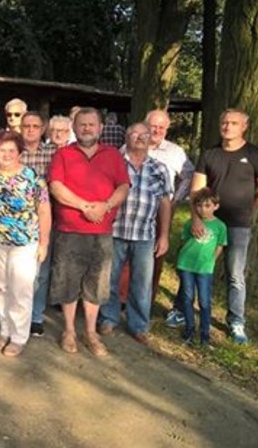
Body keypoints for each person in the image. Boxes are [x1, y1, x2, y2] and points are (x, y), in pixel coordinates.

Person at [189, 108, 258, 344]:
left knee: (235, 275)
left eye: (234, 123)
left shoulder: (256, 155)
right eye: (224, 122)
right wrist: (196, 218)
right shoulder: (210, 154)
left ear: (244, 127)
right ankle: (182, 309)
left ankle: (236, 321)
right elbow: (196, 191)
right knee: (195, 265)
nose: (228, 127)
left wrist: (249, 207)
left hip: (238, 225)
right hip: (209, 222)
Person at [47, 107, 129, 356]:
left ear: (101, 128)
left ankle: (91, 332)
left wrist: (106, 206)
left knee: (96, 283)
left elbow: (123, 187)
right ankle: (69, 330)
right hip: (69, 230)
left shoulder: (113, 155)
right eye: (82, 124)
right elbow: (56, 187)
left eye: (92, 124)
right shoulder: (63, 154)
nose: (87, 128)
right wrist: (84, 206)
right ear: (74, 127)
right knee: (68, 281)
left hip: (101, 232)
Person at [97, 122, 171, 344]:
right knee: (109, 278)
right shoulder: (114, 163)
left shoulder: (159, 168)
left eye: (144, 134)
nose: (139, 137)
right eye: (134, 133)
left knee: (142, 283)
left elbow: (164, 202)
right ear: (126, 137)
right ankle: (108, 317)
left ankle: (138, 325)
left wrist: (164, 235)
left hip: (145, 235)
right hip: (115, 231)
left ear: (150, 138)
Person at [0, 131, 51, 357]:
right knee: (1, 287)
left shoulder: (32, 176)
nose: (6, 154)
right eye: (2, 150)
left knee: (21, 290)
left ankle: (18, 337)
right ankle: (4, 331)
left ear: (19, 153)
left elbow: (44, 210)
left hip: (25, 242)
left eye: (11, 150)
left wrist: (44, 243)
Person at [141, 110, 195, 328]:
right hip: (132, 210)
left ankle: (147, 303)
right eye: (153, 126)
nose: (157, 131)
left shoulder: (175, 152)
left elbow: (189, 176)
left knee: (156, 256)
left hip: (160, 210)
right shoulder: (132, 144)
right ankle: (124, 301)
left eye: (161, 127)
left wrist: (175, 199)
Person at [19, 111, 57, 337]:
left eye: (35, 126)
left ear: (43, 129)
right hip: (17, 222)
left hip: (44, 218)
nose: (31, 130)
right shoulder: (13, 151)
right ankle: (17, 315)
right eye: (26, 126)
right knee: (17, 273)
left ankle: (35, 316)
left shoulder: (54, 152)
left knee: (40, 272)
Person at [177, 188, 227, 346]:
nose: (202, 209)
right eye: (199, 205)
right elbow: (184, 241)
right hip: (186, 265)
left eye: (207, 205)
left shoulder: (220, 226)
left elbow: (220, 245)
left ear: (216, 206)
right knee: (187, 298)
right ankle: (189, 329)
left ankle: (205, 334)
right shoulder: (190, 223)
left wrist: (211, 261)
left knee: (204, 302)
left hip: (204, 269)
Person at [0, 98, 27, 164]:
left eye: (17, 114)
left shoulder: (30, 135)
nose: (12, 118)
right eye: (9, 114)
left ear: (25, 115)